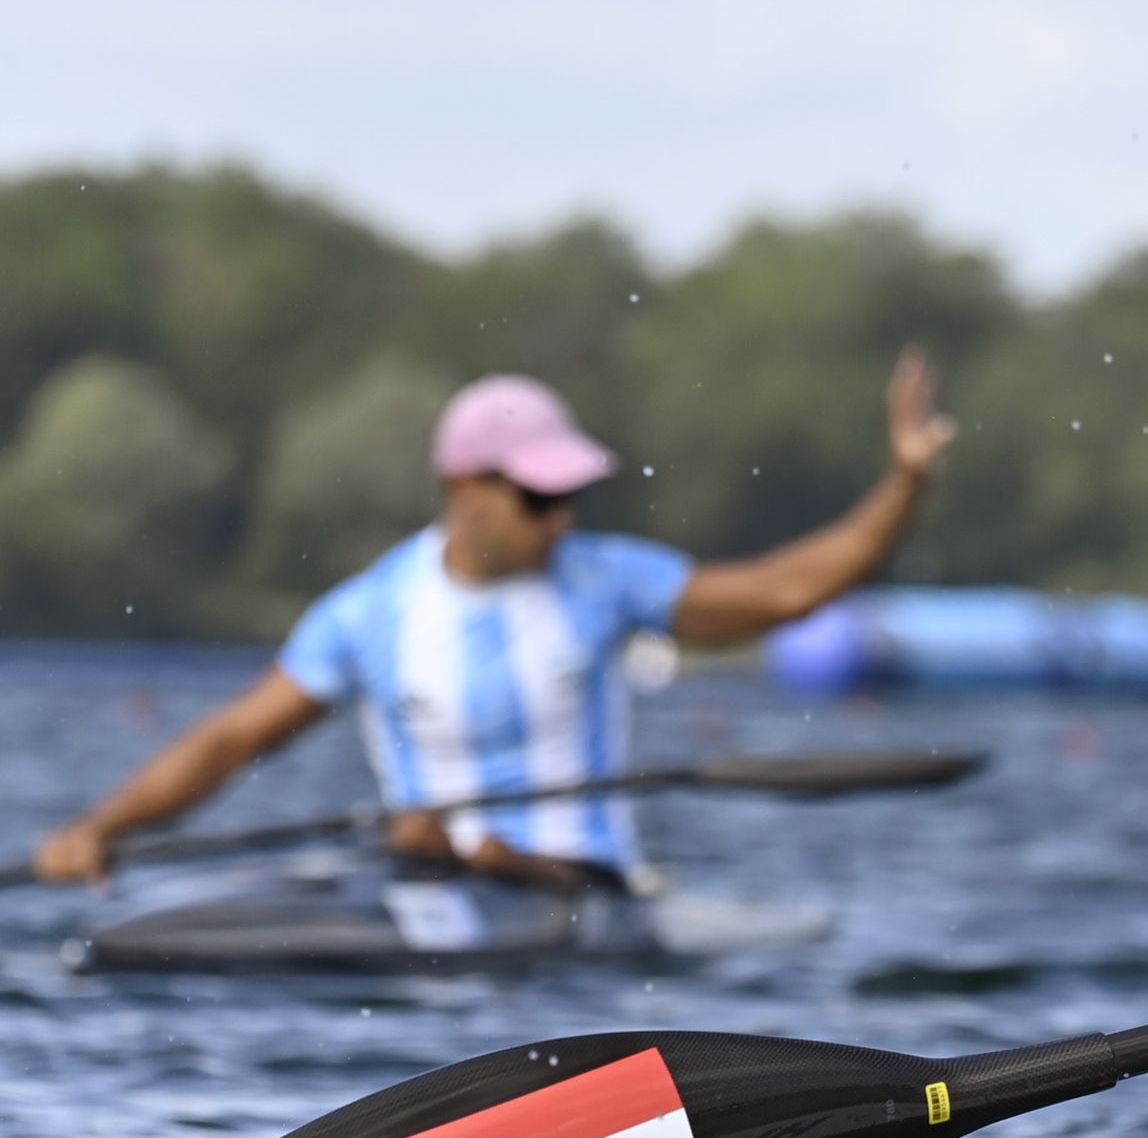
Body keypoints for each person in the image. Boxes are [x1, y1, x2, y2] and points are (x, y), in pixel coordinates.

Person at [27, 354, 958, 888]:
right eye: (539, 495)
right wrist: (101, 830)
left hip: (580, 888)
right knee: (414, 853)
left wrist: (906, 480)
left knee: (456, 852)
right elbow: (229, 741)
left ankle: (488, 862)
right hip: (425, 882)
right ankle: (458, 863)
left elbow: (788, 591)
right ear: (467, 486)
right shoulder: (369, 613)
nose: (562, 518)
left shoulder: (605, 581)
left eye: (571, 495)